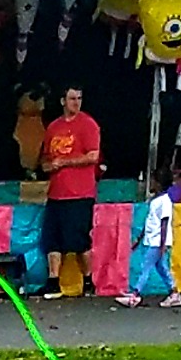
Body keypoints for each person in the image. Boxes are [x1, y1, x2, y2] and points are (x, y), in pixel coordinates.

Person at [38, 90, 101, 298]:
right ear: (63, 101)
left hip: (80, 192)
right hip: (56, 192)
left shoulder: (88, 124)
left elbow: (93, 156)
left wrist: (65, 162)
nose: (77, 103)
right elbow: (46, 157)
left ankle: (89, 281)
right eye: (73, 99)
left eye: (80, 98)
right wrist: (48, 166)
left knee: (79, 239)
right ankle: (53, 281)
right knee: (51, 238)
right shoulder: (53, 127)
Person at [119, 167, 179, 308]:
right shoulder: (156, 200)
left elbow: (164, 223)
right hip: (153, 240)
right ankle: (174, 293)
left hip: (157, 241)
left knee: (145, 266)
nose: (150, 183)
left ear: (158, 183)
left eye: (152, 181)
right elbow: (150, 222)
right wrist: (139, 239)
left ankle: (135, 294)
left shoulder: (164, 201)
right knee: (161, 268)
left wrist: (163, 244)